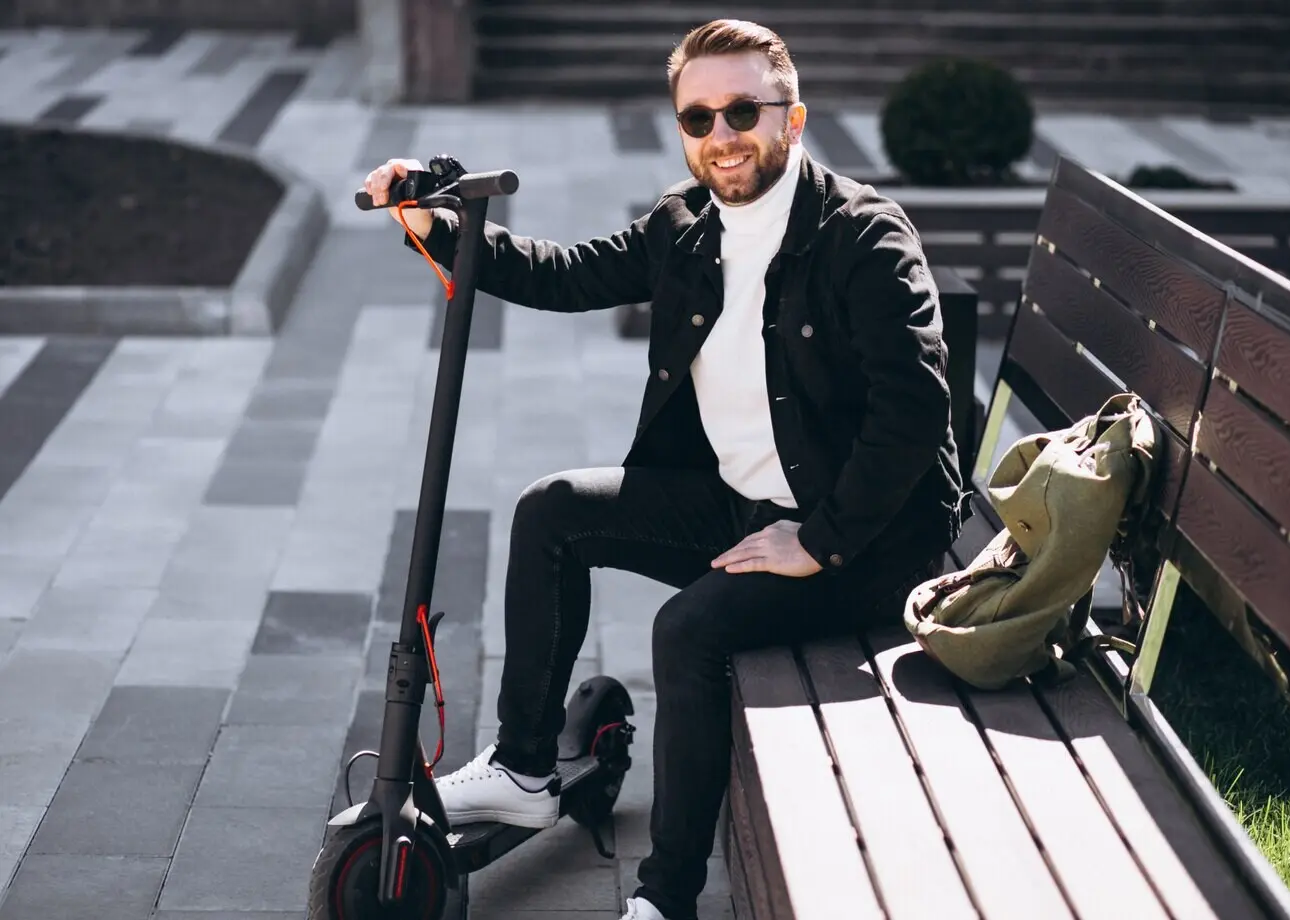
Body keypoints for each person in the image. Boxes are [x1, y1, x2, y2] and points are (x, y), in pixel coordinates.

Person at [361, 18, 966, 920]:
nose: (721, 137)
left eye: (742, 112)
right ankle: (527, 768)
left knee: (689, 630)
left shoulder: (864, 239)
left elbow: (916, 410)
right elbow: (565, 275)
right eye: (698, 119)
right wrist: (439, 225)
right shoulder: (685, 226)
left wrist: (821, 541)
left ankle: (666, 896)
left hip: (871, 544)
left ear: (792, 120)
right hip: (743, 509)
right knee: (552, 510)